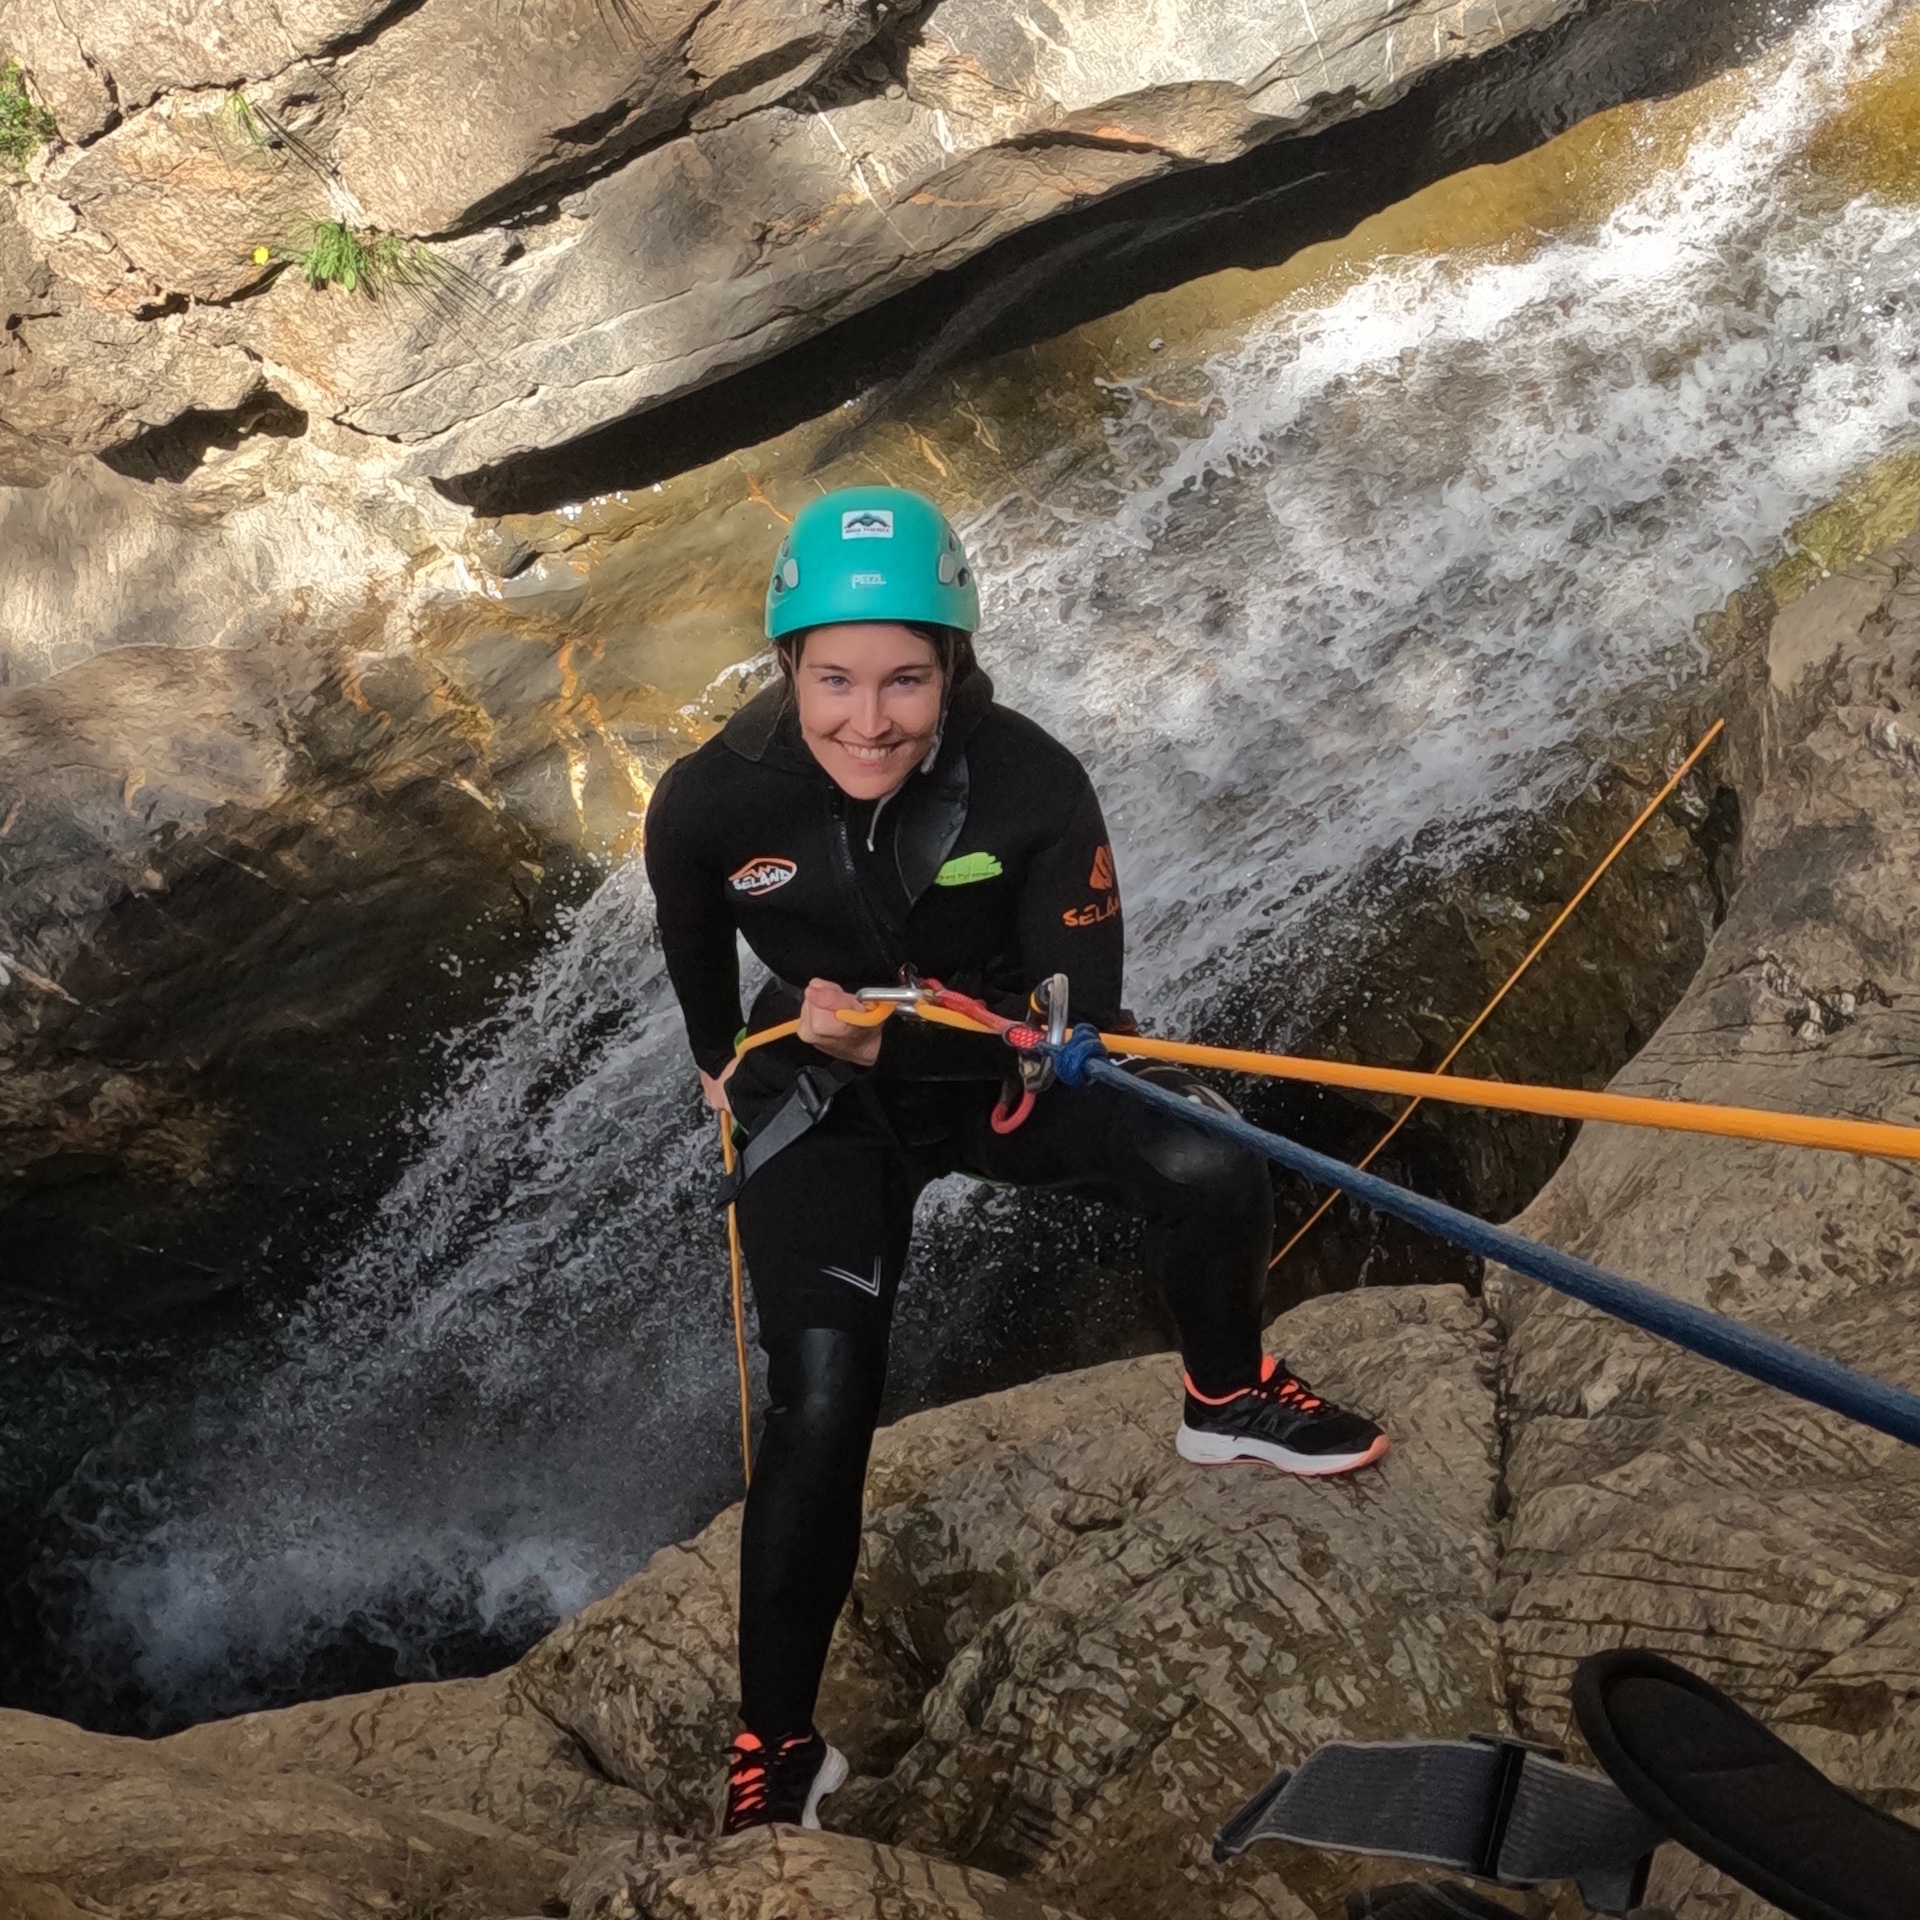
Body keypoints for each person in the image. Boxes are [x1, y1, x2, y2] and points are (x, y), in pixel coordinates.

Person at [643, 486, 1388, 1837]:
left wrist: (923, 1051)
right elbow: (691, 930)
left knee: (1209, 1163)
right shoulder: (710, 801)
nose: (868, 719)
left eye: (906, 680)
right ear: (786, 672)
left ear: (954, 669)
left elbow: (1073, 1030)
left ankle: (1223, 1393)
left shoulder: (1032, 782)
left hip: (994, 1074)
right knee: (821, 1399)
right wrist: (721, 1054)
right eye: (834, 681)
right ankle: (777, 1748)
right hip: (822, 1096)